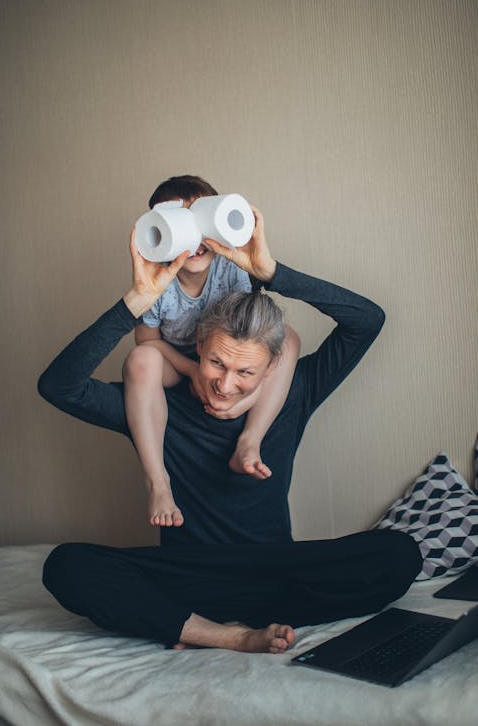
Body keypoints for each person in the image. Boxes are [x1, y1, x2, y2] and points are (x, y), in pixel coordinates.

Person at [38, 206, 422, 653]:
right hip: (186, 577)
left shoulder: (294, 393)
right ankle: (226, 635)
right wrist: (135, 303)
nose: (225, 385)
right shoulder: (153, 404)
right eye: (217, 362)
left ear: (274, 367)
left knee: (399, 554)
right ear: (198, 346)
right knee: (65, 565)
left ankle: (182, 624)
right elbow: (58, 386)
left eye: (245, 372)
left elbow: (367, 320)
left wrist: (272, 273)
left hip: (276, 572)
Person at [123, 175, 301, 529]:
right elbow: (148, 344)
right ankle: (158, 482)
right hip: (177, 359)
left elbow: (253, 335)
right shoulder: (156, 280)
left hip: (226, 359)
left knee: (289, 339)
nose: (195, 242)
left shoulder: (231, 265)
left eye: (201, 223)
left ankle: (249, 441)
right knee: (140, 361)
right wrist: (191, 370)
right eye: (181, 227)